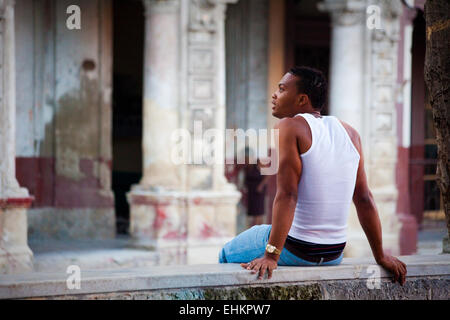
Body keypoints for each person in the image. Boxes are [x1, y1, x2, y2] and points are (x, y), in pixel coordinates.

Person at [219, 66, 407, 285]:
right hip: (334, 254)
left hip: (297, 249)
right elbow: (364, 198)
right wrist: (380, 255)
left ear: (301, 100)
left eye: (281, 89)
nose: (274, 95)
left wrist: (271, 256)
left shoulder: (289, 127)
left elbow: (288, 195)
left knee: (226, 254)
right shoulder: (351, 133)